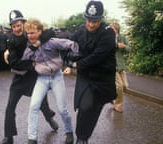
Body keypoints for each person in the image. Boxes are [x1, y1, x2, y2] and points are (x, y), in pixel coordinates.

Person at [1, 10, 58, 144]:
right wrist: (31, 62)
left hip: (34, 77)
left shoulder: (31, 33)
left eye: (19, 25)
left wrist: (38, 42)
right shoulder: (12, 41)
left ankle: (50, 118)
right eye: (13, 26)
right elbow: (14, 63)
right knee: (10, 107)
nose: (16, 28)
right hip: (19, 78)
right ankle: (8, 136)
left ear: (24, 24)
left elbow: (50, 32)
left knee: (42, 103)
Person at [21, 19, 78, 144]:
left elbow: (72, 45)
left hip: (57, 77)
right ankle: (32, 138)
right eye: (28, 33)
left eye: (33, 33)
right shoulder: (29, 46)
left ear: (40, 31)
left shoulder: (52, 42)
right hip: (42, 78)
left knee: (62, 109)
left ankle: (69, 132)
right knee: (33, 106)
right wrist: (33, 47)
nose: (30, 36)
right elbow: (24, 58)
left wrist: (71, 62)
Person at [70, 1, 117, 144]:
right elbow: (69, 43)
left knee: (94, 109)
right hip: (86, 77)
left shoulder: (108, 33)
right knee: (85, 106)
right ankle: (82, 138)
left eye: (95, 21)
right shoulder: (81, 30)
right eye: (89, 20)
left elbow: (97, 57)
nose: (90, 24)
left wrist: (75, 64)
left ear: (101, 19)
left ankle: (84, 136)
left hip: (102, 79)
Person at [110, 22, 131, 113]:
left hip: (121, 65)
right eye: (110, 29)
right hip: (112, 66)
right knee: (119, 86)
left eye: (113, 29)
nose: (111, 31)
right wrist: (115, 45)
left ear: (117, 30)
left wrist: (124, 46)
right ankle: (118, 105)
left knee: (125, 86)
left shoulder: (122, 37)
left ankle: (112, 97)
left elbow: (129, 49)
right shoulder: (107, 38)